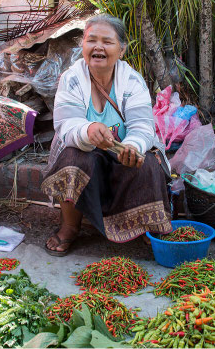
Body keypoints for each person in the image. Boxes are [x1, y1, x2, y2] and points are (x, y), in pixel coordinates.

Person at [41, 13, 172, 256]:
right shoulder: (71, 79)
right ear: (83, 46)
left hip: (120, 156)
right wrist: (87, 131)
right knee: (72, 159)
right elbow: (66, 124)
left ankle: (142, 224)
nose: (98, 47)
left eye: (107, 42)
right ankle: (70, 226)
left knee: (146, 163)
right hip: (87, 152)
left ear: (121, 50)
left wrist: (132, 145)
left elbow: (143, 126)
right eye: (91, 40)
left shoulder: (132, 80)